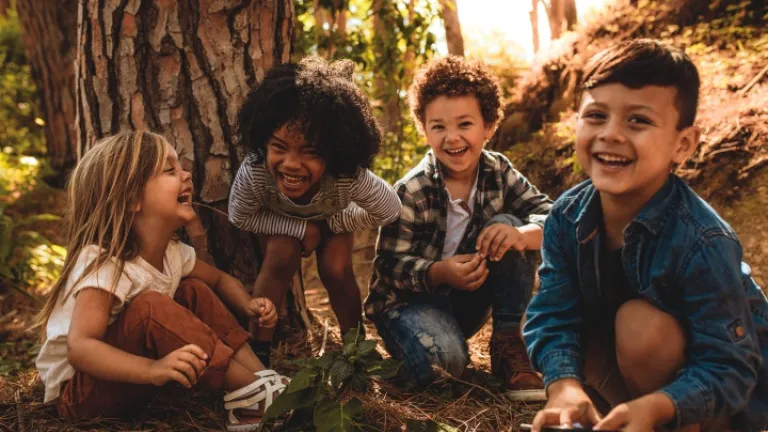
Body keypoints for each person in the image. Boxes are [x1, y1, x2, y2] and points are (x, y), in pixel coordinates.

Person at [524, 39, 768, 431]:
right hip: (633, 383)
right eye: (597, 115)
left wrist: (660, 406)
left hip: (715, 404)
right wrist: (563, 385)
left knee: (639, 326)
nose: (611, 134)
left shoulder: (703, 240)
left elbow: (730, 367)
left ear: (683, 144)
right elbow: (553, 313)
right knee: (581, 329)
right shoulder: (567, 217)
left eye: (637, 120)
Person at [35, 131, 291, 431]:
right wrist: (152, 370)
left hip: (129, 379)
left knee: (193, 289)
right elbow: (80, 348)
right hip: (81, 395)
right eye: (170, 170)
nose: (186, 175)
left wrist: (248, 304)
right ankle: (254, 396)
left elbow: (220, 280)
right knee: (150, 307)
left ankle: (261, 380)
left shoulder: (173, 254)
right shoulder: (105, 263)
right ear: (132, 199)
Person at [365, 56, 553, 394]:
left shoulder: (498, 171)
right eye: (438, 126)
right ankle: (409, 362)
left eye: (465, 124)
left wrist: (522, 235)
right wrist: (439, 272)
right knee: (446, 366)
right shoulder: (412, 190)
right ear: (424, 129)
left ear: (489, 126)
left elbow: (554, 217)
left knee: (508, 225)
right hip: (407, 306)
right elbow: (389, 267)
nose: (452, 138)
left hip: (465, 302)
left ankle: (509, 344)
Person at [229, 57, 401, 365]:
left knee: (336, 268)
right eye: (279, 147)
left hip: (331, 218)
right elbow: (239, 215)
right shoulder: (255, 170)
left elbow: (388, 208)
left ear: (335, 153)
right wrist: (299, 229)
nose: (291, 163)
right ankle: (258, 352)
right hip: (281, 222)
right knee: (281, 255)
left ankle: (355, 348)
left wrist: (337, 222)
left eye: (309, 152)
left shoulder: (347, 176)